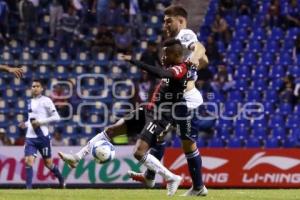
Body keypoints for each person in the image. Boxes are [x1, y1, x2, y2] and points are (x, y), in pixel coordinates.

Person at [59, 39, 189, 196]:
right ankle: (77, 157)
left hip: (160, 116)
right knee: (112, 130)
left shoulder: (180, 69)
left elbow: (161, 73)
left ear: (176, 54)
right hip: (148, 109)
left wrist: (134, 61)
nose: (162, 56)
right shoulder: (172, 66)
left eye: (165, 53)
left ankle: (172, 178)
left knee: (139, 153)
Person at [129, 5, 208, 196]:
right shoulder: (174, 42)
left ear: (180, 20)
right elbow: (206, 59)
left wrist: (194, 61)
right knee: (159, 134)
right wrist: (194, 67)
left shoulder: (185, 34)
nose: (164, 25)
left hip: (185, 101)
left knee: (187, 144)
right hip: (176, 99)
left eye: (168, 21)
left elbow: (200, 49)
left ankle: (198, 187)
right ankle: (151, 177)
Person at [19, 79, 65, 189]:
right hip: (30, 137)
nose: (35, 88)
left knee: (48, 164)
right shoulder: (29, 101)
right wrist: (26, 124)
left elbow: (56, 117)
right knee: (28, 161)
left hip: (43, 137)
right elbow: (32, 119)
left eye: (37, 86)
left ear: (42, 88)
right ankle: (28, 189)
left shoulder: (47, 100)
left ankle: (61, 179)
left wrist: (40, 122)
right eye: (33, 86)